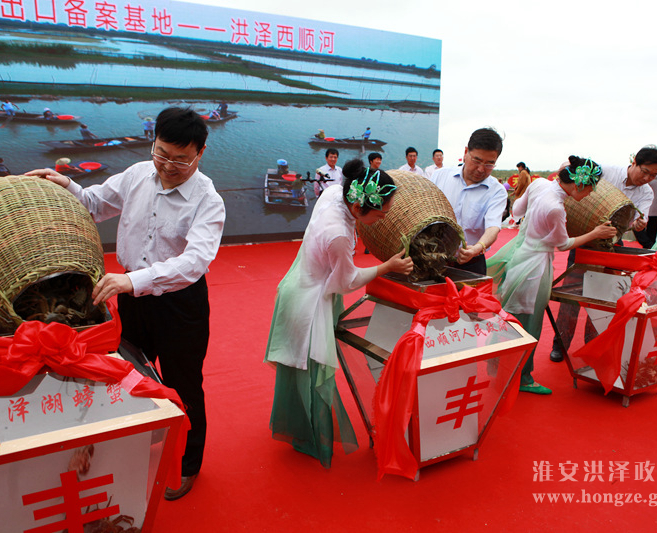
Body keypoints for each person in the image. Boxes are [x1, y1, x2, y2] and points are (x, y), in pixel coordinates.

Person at [26, 107, 225, 501]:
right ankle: (133, 437)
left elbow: (193, 263)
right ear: (153, 143)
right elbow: (94, 203)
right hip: (132, 298)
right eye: (162, 153)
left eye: (180, 160)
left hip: (179, 303)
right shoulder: (137, 174)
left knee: (184, 383)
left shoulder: (208, 200)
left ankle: (188, 464)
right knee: (124, 374)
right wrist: (64, 184)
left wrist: (131, 280)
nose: (168, 165)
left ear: (200, 153)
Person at [265, 159, 413, 467]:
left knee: (298, 370)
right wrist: (387, 267)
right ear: (359, 207)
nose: (384, 219)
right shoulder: (339, 235)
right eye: (381, 213)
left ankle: (297, 428)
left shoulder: (334, 193)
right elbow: (347, 282)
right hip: (310, 302)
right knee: (315, 374)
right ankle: (309, 436)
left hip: (301, 283)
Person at [487, 157, 617, 394]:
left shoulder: (539, 185)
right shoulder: (556, 207)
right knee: (529, 324)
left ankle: (502, 369)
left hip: (519, 257)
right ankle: (522, 378)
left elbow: (516, 210)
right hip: (534, 269)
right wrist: (595, 232)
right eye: (591, 188)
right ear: (579, 184)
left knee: (511, 318)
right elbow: (564, 244)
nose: (591, 194)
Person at [548, 146, 657, 362]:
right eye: (645, 171)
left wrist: (639, 224)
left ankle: (592, 346)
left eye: (653, 175)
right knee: (570, 296)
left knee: (602, 298)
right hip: (584, 240)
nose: (647, 178)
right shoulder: (607, 172)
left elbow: (641, 219)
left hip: (611, 243)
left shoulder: (646, 192)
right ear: (634, 162)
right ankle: (561, 344)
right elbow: (570, 168)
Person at [429, 128, 508, 276]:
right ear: (466, 152)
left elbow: (493, 227)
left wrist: (477, 248)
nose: (480, 169)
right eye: (476, 160)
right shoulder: (440, 177)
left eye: (489, 164)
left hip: (471, 263)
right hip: (431, 258)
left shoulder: (496, 191)